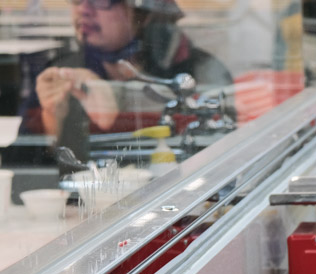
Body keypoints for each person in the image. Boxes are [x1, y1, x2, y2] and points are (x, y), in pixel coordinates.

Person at [20, 0, 232, 162]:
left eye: (101, 0)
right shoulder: (60, 74)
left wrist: (119, 100)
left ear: (143, 13)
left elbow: (223, 159)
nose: (83, 9)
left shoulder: (199, 72)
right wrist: (51, 120)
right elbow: (20, 171)